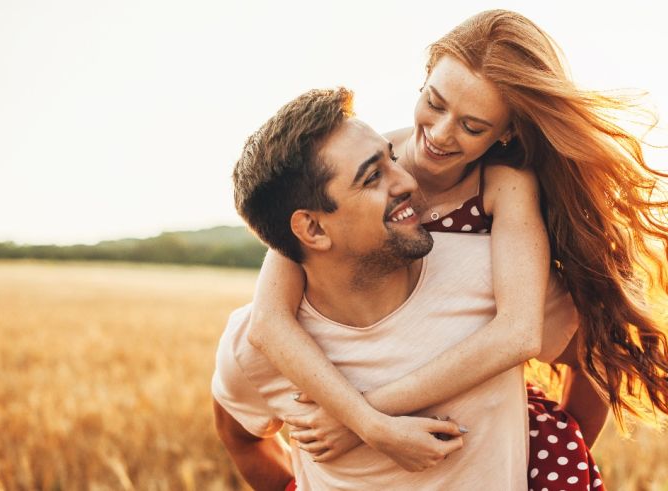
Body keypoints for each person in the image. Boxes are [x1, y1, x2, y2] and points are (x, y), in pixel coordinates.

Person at [243, 9, 668, 489]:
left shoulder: (504, 187)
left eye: (472, 126)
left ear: (508, 132)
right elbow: (268, 320)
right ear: (425, 77)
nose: (438, 134)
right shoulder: (359, 172)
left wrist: (365, 416)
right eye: (434, 102)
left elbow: (519, 334)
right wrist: (366, 425)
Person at [212, 87, 588, 490]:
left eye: (391, 157)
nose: (409, 181)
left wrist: (559, 469)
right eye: (373, 177)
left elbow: (592, 360)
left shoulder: (495, 277)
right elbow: (242, 439)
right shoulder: (256, 345)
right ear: (313, 229)